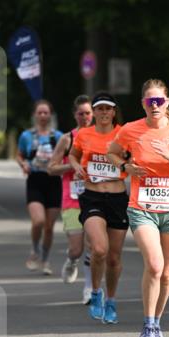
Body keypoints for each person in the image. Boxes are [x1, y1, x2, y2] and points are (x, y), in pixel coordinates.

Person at [107, 78, 169, 337]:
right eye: (149, 101)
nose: (154, 105)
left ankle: (157, 323)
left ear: (167, 102)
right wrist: (125, 167)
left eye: (159, 101)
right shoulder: (132, 130)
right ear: (143, 104)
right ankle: (146, 327)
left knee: (167, 274)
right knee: (154, 266)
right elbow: (111, 152)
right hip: (142, 207)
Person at [68, 90, 128, 324]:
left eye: (107, 108)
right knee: (99, 249)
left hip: (117, 198)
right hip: (92, 197)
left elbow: (134, 157)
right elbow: (73, 155)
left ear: (113, 111)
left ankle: (111, 300)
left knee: (114, 257)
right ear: (94, 112)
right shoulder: (84, 134)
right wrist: (76, 167)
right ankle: (95, 293)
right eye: (99, 108)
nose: (103, 112)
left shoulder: (124, 133)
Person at [47, 95, 94, 298]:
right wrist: (72, 166)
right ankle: (72, 259)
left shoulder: (102, 137)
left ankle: (90, 287)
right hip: (72, 199)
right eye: (81, 113)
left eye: (88, 113)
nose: (85, 117)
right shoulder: (67, 139)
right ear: (75, 115)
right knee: (77, 249)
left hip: (95, 197)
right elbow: (51, 168)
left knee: (94, 246)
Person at [16, 100, 63, 274]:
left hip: (53, 181)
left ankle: (45, 259)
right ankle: (35, 249)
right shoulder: (27, 136)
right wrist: (23, 164)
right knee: (38, 221)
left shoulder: (58, 136)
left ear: (50, 115)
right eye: (40, 113)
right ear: (34, 115)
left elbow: (66, 156)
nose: (43, 116)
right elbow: (19, 155)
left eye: (46, 113)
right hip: (35, 180)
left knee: (49, 226)